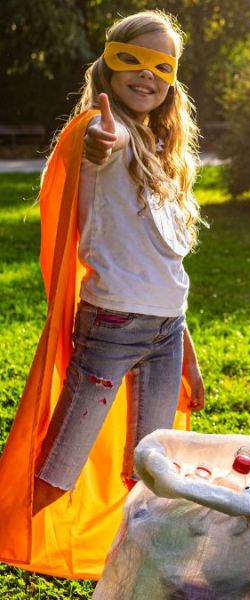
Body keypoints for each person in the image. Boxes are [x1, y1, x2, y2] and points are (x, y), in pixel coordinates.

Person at [0, 10, 204, 577]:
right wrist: (99, 138)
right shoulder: (103, 132)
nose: (147, 76)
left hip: (165, 332)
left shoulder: (162, 151)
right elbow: (95, 144)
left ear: (173, 79)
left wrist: (185, 350)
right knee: (62, 459)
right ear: (109, 66)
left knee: (149, 465)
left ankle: (137, 564)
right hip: (111, 327)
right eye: (132, 61)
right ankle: (20, 531)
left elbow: (166, 265)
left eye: (162, 67)